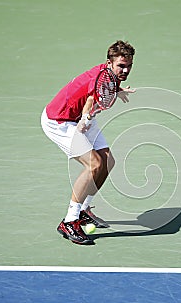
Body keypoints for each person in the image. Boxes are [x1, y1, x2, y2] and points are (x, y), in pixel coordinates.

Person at [41, 40, 136, 245]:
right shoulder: (99, 78)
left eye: (129, 65)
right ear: (109, 62)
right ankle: (69, 221)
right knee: (94, 164)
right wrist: (84, 119)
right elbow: (91, 101)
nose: (125, 70)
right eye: (121, 65)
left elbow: (101, 93)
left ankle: (84, 209)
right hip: (59, 120)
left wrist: (118, 91)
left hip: (79, 118)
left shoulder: (110, 75)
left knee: (108, 161)